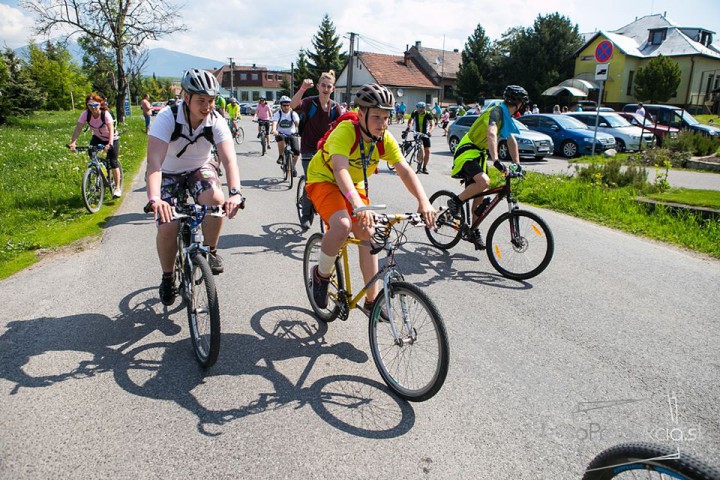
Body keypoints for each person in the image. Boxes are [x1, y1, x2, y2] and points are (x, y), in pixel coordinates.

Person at [305, 83, 435, 313]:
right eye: (376, 117)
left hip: (352, 184)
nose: (382, 124)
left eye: (386, 117)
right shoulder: (346, 131)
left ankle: (371, 302)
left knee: (368, 231)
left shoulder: (384, 139)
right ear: (361, 113)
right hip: (324, 178)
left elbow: (405, 171)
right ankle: (321, 275)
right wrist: (357, 204)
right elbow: (340, 170)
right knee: (342, 225)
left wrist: (423, 201)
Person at [145, 68, 244, 306]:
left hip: (200, 168)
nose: (207, 106)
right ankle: (168, 277)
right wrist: (155, 199)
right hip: (169, 171)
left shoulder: (216, 121)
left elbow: (229, 160)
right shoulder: (167, 118)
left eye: (211, 100)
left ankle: (211, 251)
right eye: (201, 100)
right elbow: (154, 163)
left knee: (216, 200)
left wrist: (235, 193)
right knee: (168, 226)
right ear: (186, 98)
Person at [446, 85, 527, 250]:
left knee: (479, 197)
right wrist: (496, 160)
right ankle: (455, 202)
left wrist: (517, 164)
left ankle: (473, 230)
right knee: (484, 182)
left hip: (479, 155)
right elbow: (491, 133)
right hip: (467, 151)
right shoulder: (496, 112)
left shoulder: (505, 116)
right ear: (519, 103)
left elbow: (511, 140)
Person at [290, 70, 344, 230]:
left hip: (326, 151)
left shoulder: (335, 108)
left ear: (333, 89)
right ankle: (306, 215)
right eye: (323, 85)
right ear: (318, 86)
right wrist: (302, 88)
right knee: (311, 182)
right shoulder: (310, 103)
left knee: (332, 182)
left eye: (329, 86)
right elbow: (293, 105)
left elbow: (341, 130)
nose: (326, 89)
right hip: (309, 149)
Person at [69, 93, 122, 198]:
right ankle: (99, 170)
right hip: (97, 137)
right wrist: (73, 142)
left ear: (100, 104)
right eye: (90, 105)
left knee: (113, 162)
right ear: (87, 105)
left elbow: (111, 129)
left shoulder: (105, 114)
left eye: (95, 105)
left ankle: (117, 188)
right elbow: (78, 128)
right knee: (91, 153)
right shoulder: (85, 114)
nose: (93, 108)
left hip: (111, 138)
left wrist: (110, 144)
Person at [272, 95, 300, 177]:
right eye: (284, 105)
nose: (286, 107)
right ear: (281, 105)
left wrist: (298, 126)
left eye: (288, 105)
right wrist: (274, 130)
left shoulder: (293, 113)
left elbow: (297, 122)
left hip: (292, 134)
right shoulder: (278, 113)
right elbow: (275, 122)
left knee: (297, 151)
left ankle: (293, 167)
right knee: (280, 138)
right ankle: (281, 156)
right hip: (281, 134)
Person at [405, 102, 435, 174]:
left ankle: (424, 167)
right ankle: (419, 164)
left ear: (424, 108)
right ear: (417, 108)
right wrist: (409, 126)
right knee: (420, 148)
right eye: (419, 108)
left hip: (425, 134)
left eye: (422, 108)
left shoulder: (428, 114)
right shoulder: (414, 113)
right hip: (417, 134)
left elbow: (432, 124)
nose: (420, 110)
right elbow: (410, 120)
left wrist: (430, 132)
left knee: (427, 151)